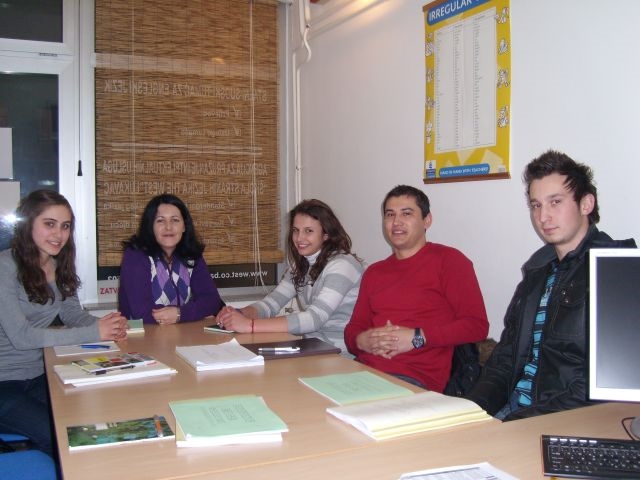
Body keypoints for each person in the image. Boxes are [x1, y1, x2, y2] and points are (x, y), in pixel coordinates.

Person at [467, 150, 636, 421]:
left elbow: (599, 391)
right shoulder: (537, 272)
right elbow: (505, 359)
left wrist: (517, 423)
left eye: (555, 202)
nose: (543, 216)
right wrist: (469, 412)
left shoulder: (616, 271)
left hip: (563, 420)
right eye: (536, 205)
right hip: (514, 410)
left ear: (586, 204)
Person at [0, 190, 127, 460]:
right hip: (3, 383)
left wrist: (107, 325)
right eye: (50, 224)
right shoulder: (5, 267)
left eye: (65, 226)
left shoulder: (59, 266)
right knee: (61, 437)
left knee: (91, 416)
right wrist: (94, 332)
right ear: (28, 224)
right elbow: (22, 337)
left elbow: (72, 314)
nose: (59, 234)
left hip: (38, 375)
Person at [344, 185, 489, 392]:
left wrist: (417, 338)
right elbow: (354, 329)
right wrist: (361, 341)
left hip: (413, 379)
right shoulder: (374, 272)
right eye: (390, 214)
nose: (396, 222)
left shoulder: (449, 261)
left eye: (407, 213)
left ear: (426, 220)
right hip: (363, 371)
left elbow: (476, 326)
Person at [215, 199, 364, 354]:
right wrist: (238, 314)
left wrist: (250, 325)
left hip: (341, 353)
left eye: (309, 231)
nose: (299, 238)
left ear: (326, 234)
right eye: (295, 230)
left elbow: (314, 319)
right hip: (313, 346)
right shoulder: (301, 264)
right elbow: (271, 304)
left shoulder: (342, 265)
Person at [118, 194, 225, 324]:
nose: (168, 227)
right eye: (160, 221)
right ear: (150, 226)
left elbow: (212, 301)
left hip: (182, 332)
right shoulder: (136, 255)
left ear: (184, 226)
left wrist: (180, 314)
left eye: (175, 220)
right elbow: (142, 312)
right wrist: (194, 311)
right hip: (141, 333)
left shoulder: (191, 254)